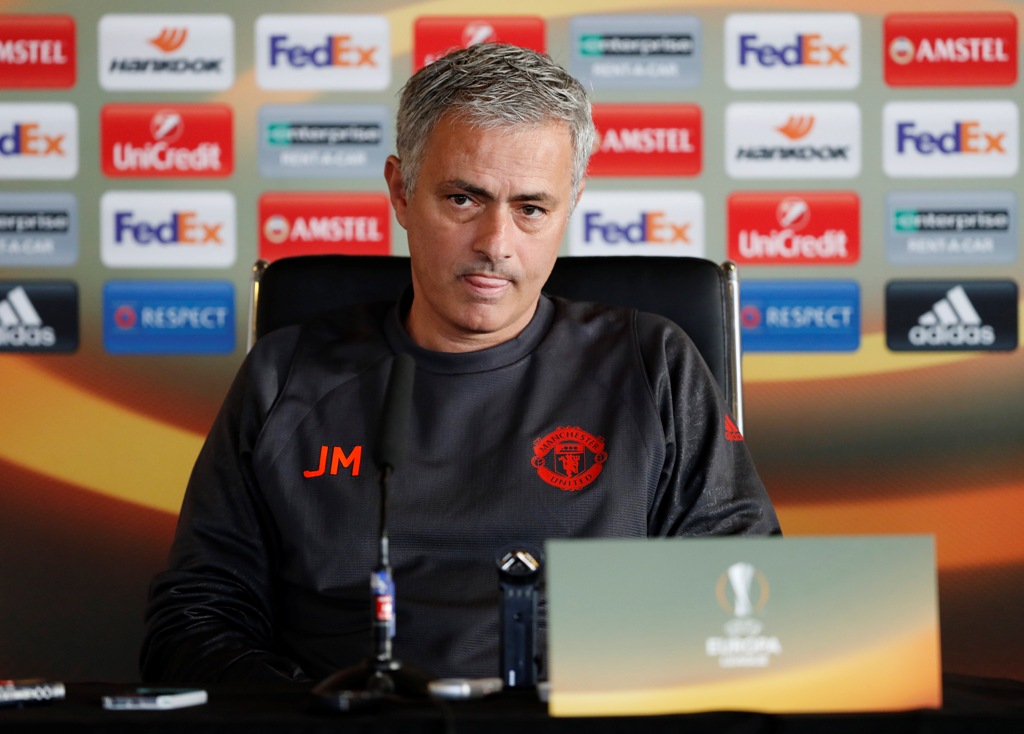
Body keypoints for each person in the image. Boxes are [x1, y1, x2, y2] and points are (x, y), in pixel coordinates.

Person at [141, 43, 780, 686]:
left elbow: (747, 601)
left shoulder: (654, 364)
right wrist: (313, 714)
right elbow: (195, 619)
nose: (496, 244)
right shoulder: (285, 376)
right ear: (401, 191)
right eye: (463, 200)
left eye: (532, 208)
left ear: (571, 203)